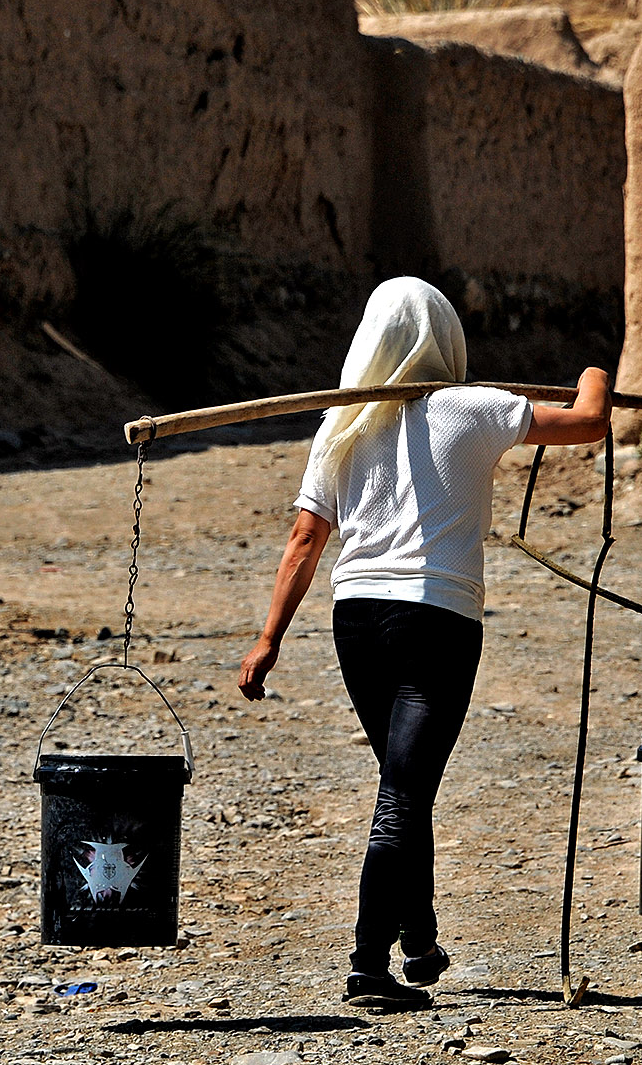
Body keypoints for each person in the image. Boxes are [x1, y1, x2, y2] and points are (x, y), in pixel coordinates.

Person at [236, 277, 611, 1010]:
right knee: (403, 794)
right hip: (436, 621)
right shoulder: (474, 407)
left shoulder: (342, 426)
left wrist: (269, 636)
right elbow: (590, 420)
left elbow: (305, 540)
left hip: (357, 621)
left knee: (404, 782)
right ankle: (367, 965)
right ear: (444, 340)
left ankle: (419, 939)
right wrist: (597, 369)